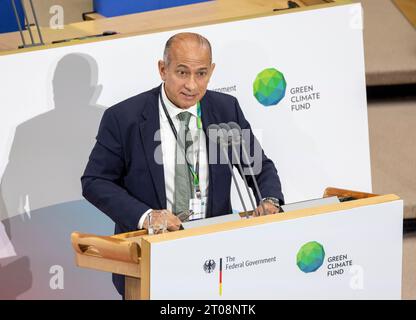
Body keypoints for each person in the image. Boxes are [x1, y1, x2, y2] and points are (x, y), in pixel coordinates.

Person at [81, 32, 284, 297]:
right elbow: (95, 181)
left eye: (201, 74)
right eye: (182, 72)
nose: (192, 85)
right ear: (162, 69)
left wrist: (269, 200)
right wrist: (146, 216)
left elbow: (258, 167)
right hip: (150, 254)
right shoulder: (124, 118)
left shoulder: (225, 109)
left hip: (217, 257)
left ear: (211, 71)